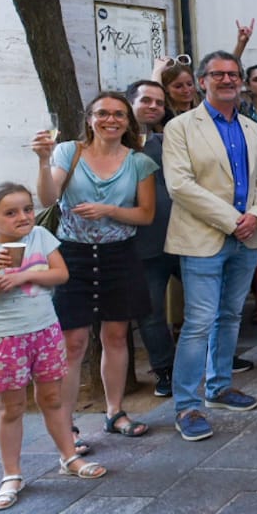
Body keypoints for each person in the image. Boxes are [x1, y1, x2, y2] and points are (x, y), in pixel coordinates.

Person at [0, 182, 104, 508]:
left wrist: (26, 276)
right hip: (6, 337)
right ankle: (11, 474)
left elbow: (61, 274)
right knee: (11, 407)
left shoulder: (40, 237)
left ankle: (69, 458)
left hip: (45, 331)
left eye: (27, 209)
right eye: (11, 212)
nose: (23, 217)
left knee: (52, 398)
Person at [32, 92, 157, 450]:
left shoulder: (139, 162)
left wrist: (109, 210)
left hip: (120, 254)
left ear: (128, 122)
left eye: (119, 114)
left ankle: (115, 412)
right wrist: (43, 160)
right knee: (73, 342)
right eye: (103, 113)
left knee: (117, 337)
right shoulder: (68, 152)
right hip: (73, 255)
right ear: (90, 118)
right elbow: (47, 197)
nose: (111, 119)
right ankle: (66, 425)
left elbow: (145, 215)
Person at [162, 51, 257, 441]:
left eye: (233, 74)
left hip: (247, 236)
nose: (227, 79)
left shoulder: (248, 126)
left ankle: (220, 386)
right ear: (202, 80)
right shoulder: (180, 127)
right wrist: (233, 220)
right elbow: (180, 185)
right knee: (198, 323)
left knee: (230, 316)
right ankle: (187, 406)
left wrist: (256, 216)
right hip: (203, 238)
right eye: (218, 74)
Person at [127, 80, 177, 398]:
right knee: (151, 312)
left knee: (209, 303)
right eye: (146, 100)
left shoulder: (167, 139)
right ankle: (165, 371)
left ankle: (221, 360)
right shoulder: (115, 145)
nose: (153, 107)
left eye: (159, 102)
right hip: (142, 247)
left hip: (183, 237)